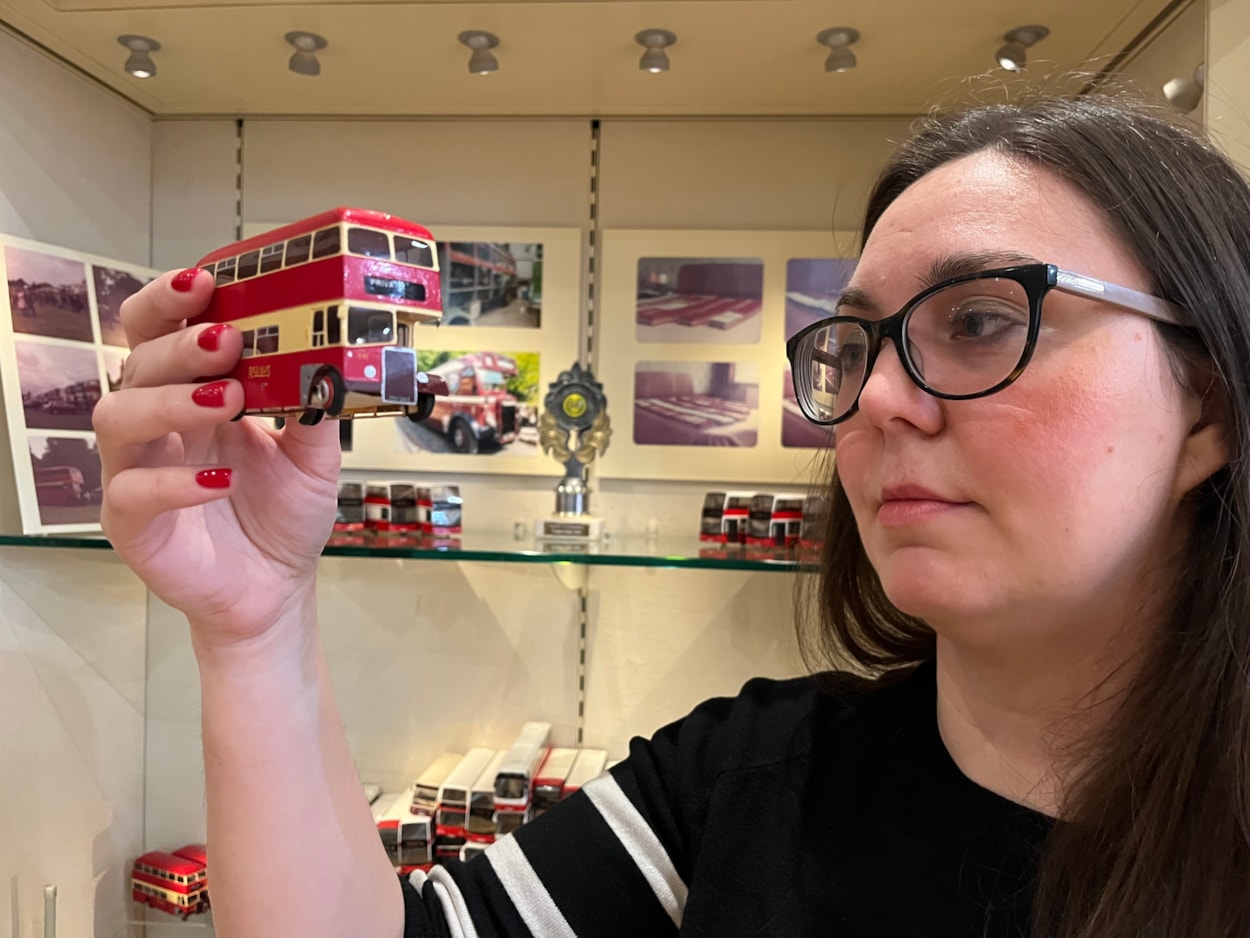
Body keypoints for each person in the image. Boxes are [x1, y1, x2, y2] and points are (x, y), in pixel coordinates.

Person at [93, 92, 1250, 938]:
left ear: (1206, 402)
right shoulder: (744, 777)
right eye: (852, 344)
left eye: (980, 321)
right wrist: (255, 623)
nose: (876, 398)